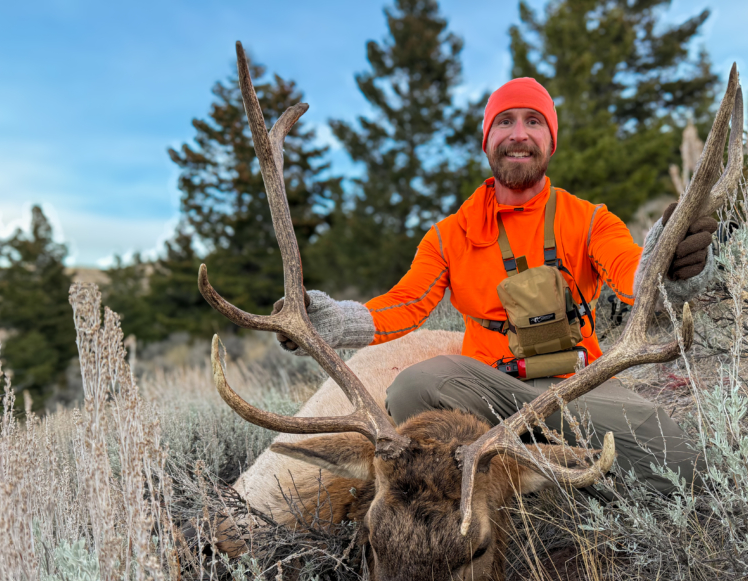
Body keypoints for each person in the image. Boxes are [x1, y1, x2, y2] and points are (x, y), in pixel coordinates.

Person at [275, 78, 717, 494]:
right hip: (485, 392)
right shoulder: (450, 235)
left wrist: (668, 270)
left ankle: (553, 482)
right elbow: (405, 304)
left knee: (684, 467)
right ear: (487, 141)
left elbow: (630, 273)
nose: (518, 134)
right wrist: (333, 321)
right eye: (505, 122)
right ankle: (458, 497)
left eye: (533, 121)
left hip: (578, 386)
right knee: (413, 387)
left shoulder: (589, 220)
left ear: (550, 141)